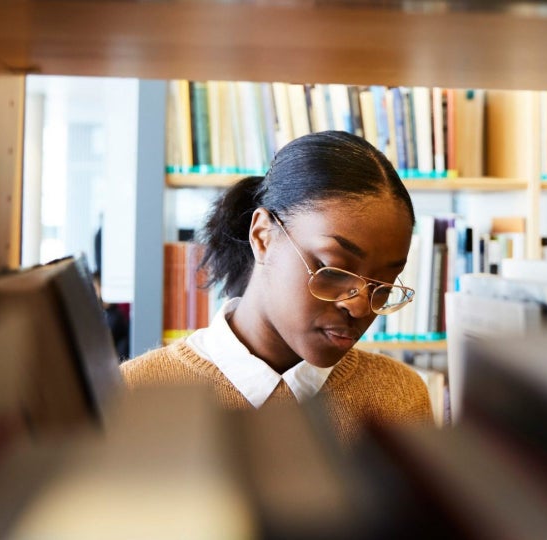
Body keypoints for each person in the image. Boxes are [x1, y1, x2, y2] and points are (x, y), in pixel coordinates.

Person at [120, 131, 432, 443]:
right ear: (263, 236)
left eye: (384, 285)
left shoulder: (400, 398)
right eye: (334, 270)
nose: (360, 307)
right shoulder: (132, 395)